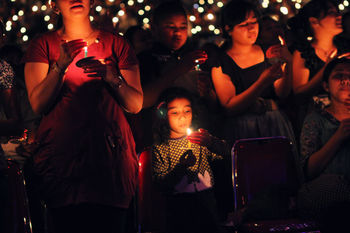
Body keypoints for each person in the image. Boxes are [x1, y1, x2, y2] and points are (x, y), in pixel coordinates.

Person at [22, 0, 143, 232]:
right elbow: (38, 103)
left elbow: (135, 104)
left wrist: (111, 76)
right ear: (54, 5)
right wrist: (60, 67)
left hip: (109, 158)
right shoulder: (43, 45)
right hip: (63, 160)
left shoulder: (116, 44)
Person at [132, 0, 209, 153]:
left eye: (182, 27)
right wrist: (179, 69)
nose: (178, 33)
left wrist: (207, 91)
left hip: (191, 137)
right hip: (157, 140)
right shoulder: (146, 59)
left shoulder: (191, 56)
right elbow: (143, 100)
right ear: (154, 29)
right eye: (170, 27)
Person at [151, 87, 230, 233]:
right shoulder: (161, 148)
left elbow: (228, 153)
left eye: (187, 111)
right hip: (178, 209)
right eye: (174, 112)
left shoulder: (200, 139)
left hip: (207, 203)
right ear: (163, 115)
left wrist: (211, 142)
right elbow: (160, 183)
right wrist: (181, 167)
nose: (182, 117)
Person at [298, 58, 350, 221]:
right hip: (329, 197)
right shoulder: (316, 120)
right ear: (326, 85)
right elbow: (309, 171)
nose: (346, 80)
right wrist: (338, 137)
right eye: (338, 75)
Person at [288, 0, 347, 136]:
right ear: (314, 22)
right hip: (317, 121)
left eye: (338, 12)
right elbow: (300, 94)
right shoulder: (304, 53)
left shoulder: (344, 47)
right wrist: (328, 67)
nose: (339, 16)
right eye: (332, 13)